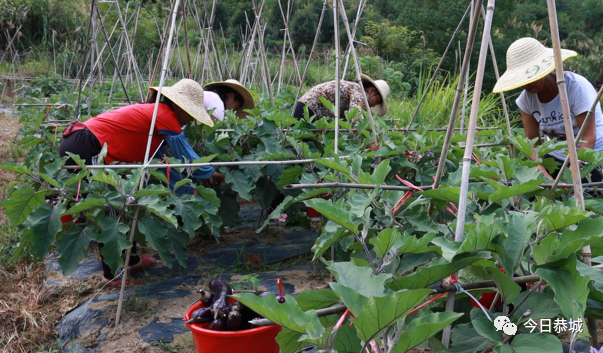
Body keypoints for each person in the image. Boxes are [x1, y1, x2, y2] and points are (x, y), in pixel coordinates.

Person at [59, 78, 217, 286]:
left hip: (83, 143)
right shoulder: (164, 115)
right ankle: (112, 274)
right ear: (178, 107)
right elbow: (186, 155)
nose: (189, 120)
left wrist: (188, 190)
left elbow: (167, 166)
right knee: (108, 211)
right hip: (85, 145)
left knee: (121, 205)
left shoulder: (156, 121)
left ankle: (131, 260)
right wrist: (209, 172)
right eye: (190, 113)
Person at [493, 37, 603, 181]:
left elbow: (589, 137)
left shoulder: (576, 87)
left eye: (529, 77)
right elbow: (532, 144)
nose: (526, 85)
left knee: (587, 196)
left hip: (592, 155)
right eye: (521, 81)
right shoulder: (525, 100)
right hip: (558, 157)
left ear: (543, 69)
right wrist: (543, 174)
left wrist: (570, 176)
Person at [292, 74, 390, 120]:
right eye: (377, 101)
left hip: (304, 107)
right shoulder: (359, 92)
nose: (373, 106)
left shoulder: (353, 89)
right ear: (371, 90)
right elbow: (356, 118)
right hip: (308, 111)